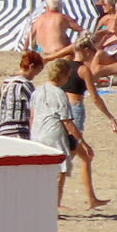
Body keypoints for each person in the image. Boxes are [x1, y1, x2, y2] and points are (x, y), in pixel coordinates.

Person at [62, 38, 117, 208]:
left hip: (63, 109)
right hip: (75, 110)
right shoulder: (83, 70)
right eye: (92, 52)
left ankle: (91, 198)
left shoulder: (66, 66)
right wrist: (110, 117)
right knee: (69, 156)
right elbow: (95, 97)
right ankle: (55, 200)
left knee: (85, 157)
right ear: (86, 50)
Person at [29, 60, 77, 207]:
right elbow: (67, 121)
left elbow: (32, 116)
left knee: (40, 173)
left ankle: (39, 205)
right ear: (62, 75)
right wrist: (81, 141)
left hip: (37, 133)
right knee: (59, 173)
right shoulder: (60, 94)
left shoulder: (37, 91)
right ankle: (53, 207)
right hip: (53, 134)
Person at [0, 51, 44, 138]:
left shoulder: (5, 82)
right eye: (36, 72)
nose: (34, 76)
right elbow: (35, 109)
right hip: (18, 131)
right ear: (31, 67)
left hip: (1, 130)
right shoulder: (25, 84)